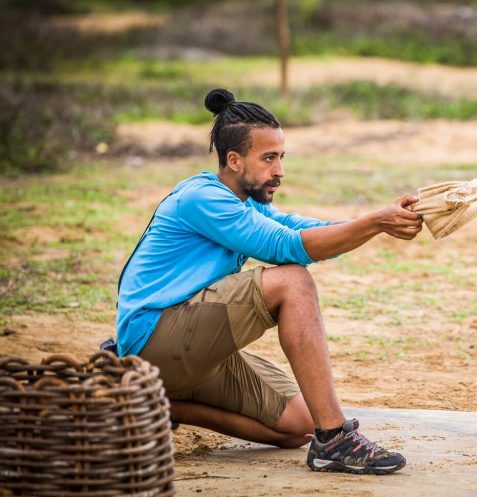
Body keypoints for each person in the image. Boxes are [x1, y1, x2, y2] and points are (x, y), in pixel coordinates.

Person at [116, 88, 423, 475]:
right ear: (233, 160)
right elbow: (285, 246)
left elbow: (298, 228)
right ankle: (334, 438)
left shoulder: (248, 200)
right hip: (156, 336)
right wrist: (375, 223)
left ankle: (154, 400)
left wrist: (377, 223)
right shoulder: (202, 198)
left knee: (297, 426)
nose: (279, 170)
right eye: (269, 158)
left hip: (187, 350)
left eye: (281, 157)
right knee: (292, 281)